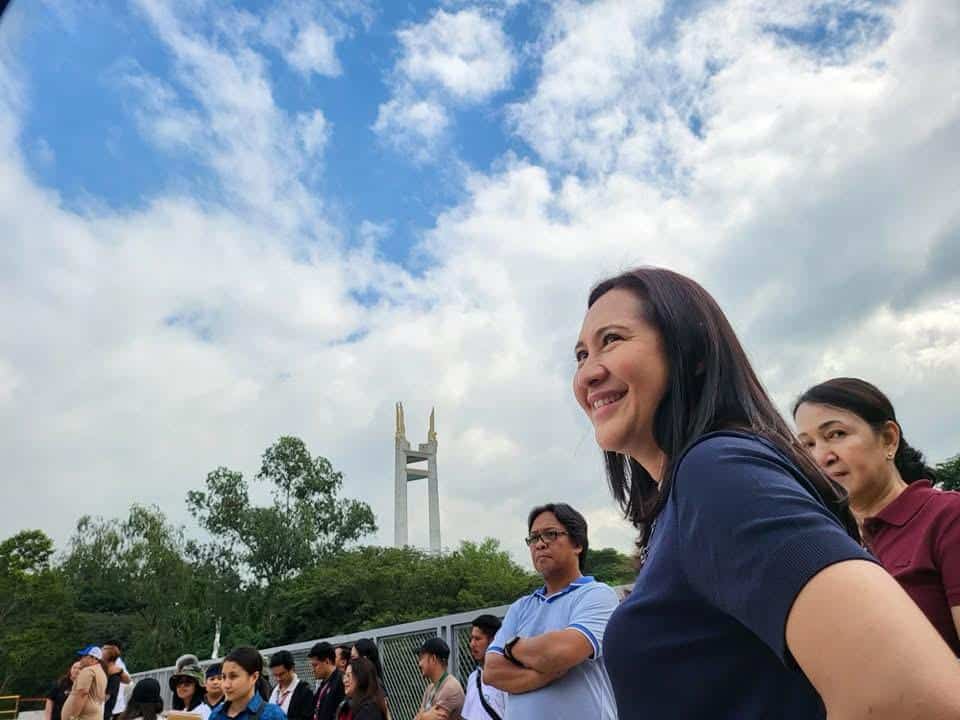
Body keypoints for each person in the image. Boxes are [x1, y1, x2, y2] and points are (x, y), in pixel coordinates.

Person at [571, 266, 960, 719]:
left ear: (692, 353)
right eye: (580, 355)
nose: (588, 373)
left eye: (612, 340)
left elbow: (914, 700)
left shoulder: (717, 471)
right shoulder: (681, 504)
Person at [795, 377, 960, 654]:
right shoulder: (824, 542)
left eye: (836, 434)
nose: (822, 457)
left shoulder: (947, 517)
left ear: (888, 439)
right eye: (807, 445)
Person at [484, 503, 617, 720]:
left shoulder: (597, 595)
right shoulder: (520, 607)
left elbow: (562, 652)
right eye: (534, 538)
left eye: (551, 534)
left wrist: (511, 647)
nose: (540, 544)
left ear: (577, 544)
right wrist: (544, 675)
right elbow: (492, 672)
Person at [210, 647, 286, 720]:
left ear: (254, 677)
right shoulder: (216, 715)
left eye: (233, 676)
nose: (226, 685)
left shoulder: (273, 715)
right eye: (223, 677)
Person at [462, 616, 506, 720]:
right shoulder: (473, 678)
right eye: (471, 639)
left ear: (493, 641)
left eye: (477, 639)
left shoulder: (507, 678)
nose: (472, 644)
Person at [413, 638, 463, 720]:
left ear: (433, 659)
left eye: (421, 658)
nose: (419, 663)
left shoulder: (450, 688)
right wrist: (424, 717)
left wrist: (422, 716)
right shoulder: (430, 689)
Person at [61, 645, 107, 720]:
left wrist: (73, 716)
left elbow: (82, 694)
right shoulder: (101, 672)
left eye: (84, 656)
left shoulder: (88, 670)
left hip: (84, 717)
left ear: (93, 658)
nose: (81, 659)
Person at [268, 650, 313, 720]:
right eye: (275, 675)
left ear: (292, 669)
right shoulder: (273, 691)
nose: (278, 679)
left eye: (281, 674)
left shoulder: (304, 691)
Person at [307, 642, 344, 720]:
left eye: (315, 665)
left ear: (327, 661)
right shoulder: (324, 683)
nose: (312, 670)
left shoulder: (340, 682)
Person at [103, 641, 131, 720]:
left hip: (113, 708)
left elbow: (128, 680)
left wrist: (120, 671)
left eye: (104, 648)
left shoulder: (117, 664)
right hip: (114, 707)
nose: (101, 650)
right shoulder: (106, 663)